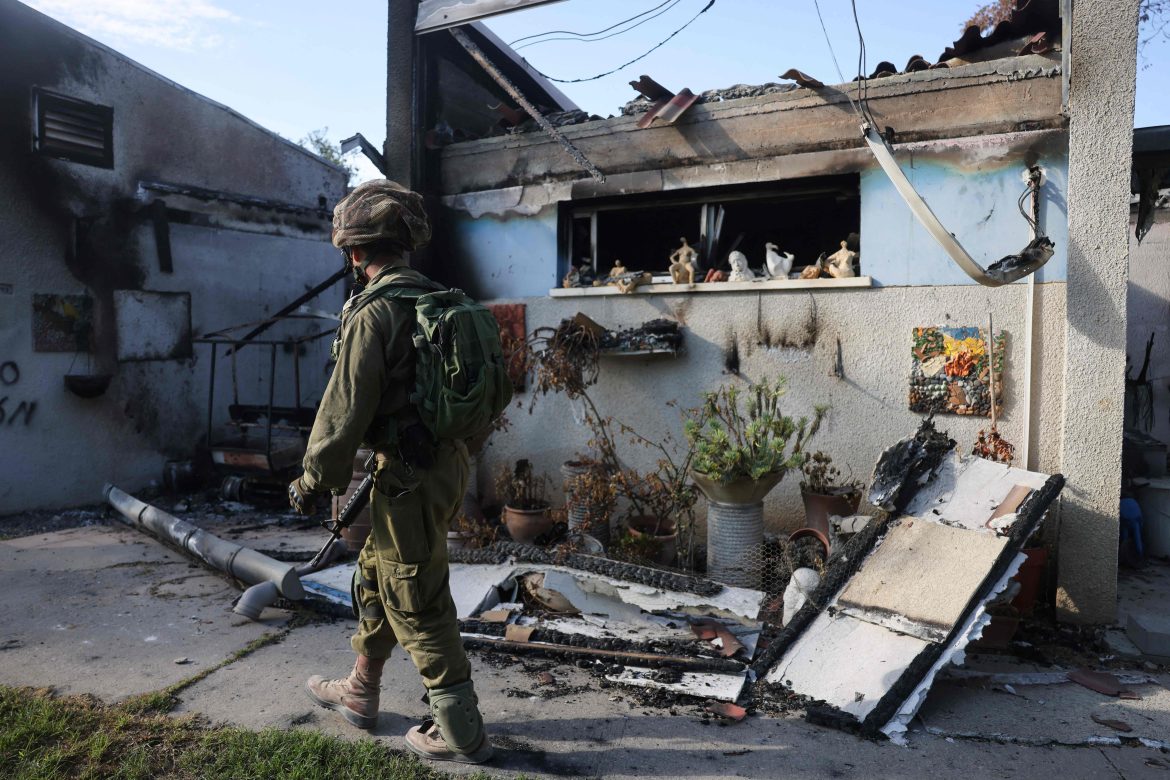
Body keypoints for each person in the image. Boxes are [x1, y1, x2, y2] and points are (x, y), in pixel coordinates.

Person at [288, 179, 493, 764]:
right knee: (378, 574)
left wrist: (313, 480)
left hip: (406, 473)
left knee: (415, 596)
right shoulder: (433, 298)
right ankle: (361, 690)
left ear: (355, 251)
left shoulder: (376, 312)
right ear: (404, 245)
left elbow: (343, 408)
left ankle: (460, 731)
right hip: (440, 464)